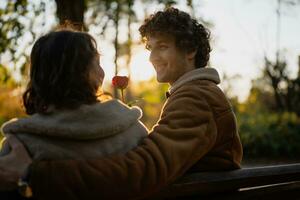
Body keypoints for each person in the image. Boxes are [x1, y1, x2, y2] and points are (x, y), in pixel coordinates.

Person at [0, 7, 243, 199]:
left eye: (163, 47)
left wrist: (35, 174)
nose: (152, 57)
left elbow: (146, 168)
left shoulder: (196, 98)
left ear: (190, 51)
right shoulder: (194, 94)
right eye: (150, 48)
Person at [0, 30, 148, 196]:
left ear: (38, 76)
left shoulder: (19, 145)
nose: (102, 71)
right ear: (94, 75)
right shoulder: (131, 130)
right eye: (97, 63)